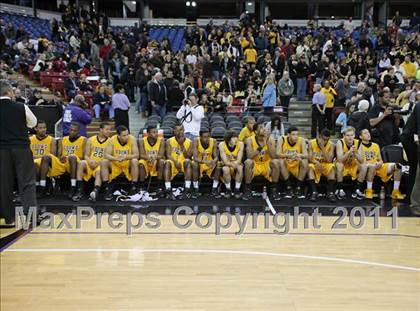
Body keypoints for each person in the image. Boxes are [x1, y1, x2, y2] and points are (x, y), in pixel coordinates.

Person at [0, 80, 37, 226]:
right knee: (27, 182)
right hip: (21, 148)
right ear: (9, 92)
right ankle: (30, 218)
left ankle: (8, 218)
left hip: (1, 149)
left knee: (4, 183)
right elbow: (33, 123)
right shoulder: (21, 106)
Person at [40, 122, 86, 198]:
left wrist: (69, 157)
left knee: (72, 157)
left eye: (74, 131)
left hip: (75, 163)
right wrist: (60, 158)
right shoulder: (63, 139)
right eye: (71, 130)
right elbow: (58, 156)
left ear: (78, 131)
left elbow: (83, 157)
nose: (72, 132)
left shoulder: (83, 140)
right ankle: (42, 187)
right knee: (46, 157)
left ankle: (73, 187)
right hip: (63, 163)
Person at [359, 129, 405, 200]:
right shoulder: (359, 146)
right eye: (365, 133)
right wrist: (371, 164)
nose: (368, 134)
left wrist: (380, 163)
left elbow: (380, 160)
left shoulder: (375, 145)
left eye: (368, 132)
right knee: (372, 166)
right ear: (360, 136)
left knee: (397, 166)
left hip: (377, 166)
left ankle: (395, 191)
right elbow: (359, 161)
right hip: (367, 168)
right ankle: (369, 190)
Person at [72, 122, 112, 202]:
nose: (109, 131)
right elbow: (86, 155)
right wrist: (90, 161)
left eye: (110, 130)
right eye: (106, 129)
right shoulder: (91, 139)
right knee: (81, 163)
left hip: (101, 165)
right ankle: (79, 191)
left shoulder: (110, 141)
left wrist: (97, 162)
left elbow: (107, 157)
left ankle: (95, 191)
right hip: (91, 163)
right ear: (101, 130)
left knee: (99, 171)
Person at [243, 123, 280, 200]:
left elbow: (273, 156)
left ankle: (274, 189)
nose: (264, 129)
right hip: (255, 164)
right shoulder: (249, 140)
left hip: (266, 164)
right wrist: (261, 146)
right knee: (247, 162)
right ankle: (248, 190)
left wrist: (267, 142)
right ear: (256, 131)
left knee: (276, 162)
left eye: (264, 128)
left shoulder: (270, 139)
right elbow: (249, 156)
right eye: (261, 128)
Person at [101, 125, 139, 200]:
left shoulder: (132, 139)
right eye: (124, 135)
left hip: (127, 163)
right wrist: (116, 158)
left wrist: (126, 157)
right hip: (116, 164)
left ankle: (134, 186)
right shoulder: (112, 139)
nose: (127, 137)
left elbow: (137, 155)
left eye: (127, 134)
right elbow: (106, 155)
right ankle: (106, 188)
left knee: (134, 160)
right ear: (118, 135)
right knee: (104, 161)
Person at [335, 126, 366, 200]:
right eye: (348, 135)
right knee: (339, 165)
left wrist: (355, 153)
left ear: (354, 135)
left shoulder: (358, 143)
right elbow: (339, 160)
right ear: (344, 136)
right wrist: (349, 152)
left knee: (364, 166)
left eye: (352, 135)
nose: (350, 137)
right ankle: (340, 189)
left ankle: (357, 190)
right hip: (343, 165)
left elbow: (361, 160)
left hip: (353, 165)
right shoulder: (340, 142)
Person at [163, 124, 193, 200]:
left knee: (188, 161)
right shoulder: (169, 141)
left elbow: (188, 156)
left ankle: (187, 189)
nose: (179, 132)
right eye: (177, 130)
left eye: (181, 130)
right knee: (167, 162)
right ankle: (168, 189)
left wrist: (181, 145)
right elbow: (168, 155)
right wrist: (175, 162)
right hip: (173, 162)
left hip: (183, 163)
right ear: (174, 131)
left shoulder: (190, 142)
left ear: (184, 131)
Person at [277, 126, 308, 199]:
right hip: (286, 164)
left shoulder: (301, 140)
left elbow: (306, 155)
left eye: (297, 134)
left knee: (305, 161)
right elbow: (277, 153)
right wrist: (289, 155)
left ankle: (298, 188)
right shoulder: (281, 139)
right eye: (293, 134)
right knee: (280, 161)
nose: (296, 136)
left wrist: (297, 155)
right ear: (288, 135)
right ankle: (289, 188)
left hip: (296, 164)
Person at [308, 129, 337, 202]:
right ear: (319, 137)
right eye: (324, 139)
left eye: (327, 140)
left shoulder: (331, 145)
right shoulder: (311, 143)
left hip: (325, 163)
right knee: (310, 167)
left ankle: (330, 192)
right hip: (315, 163)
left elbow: (329, 160)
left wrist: (323, 147)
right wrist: (316, 162)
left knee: (331, 167)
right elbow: (310, 158)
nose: (325, 141)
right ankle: (314, 192)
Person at [192, 128, 221, 198]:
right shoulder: (196, 141)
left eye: (208, 136)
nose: (207, 138)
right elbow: (195, 158)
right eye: (205, 137)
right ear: (200, 137)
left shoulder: (213, 141)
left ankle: (214, 189)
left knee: (219, 164)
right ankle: (195, 189)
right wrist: (204, 162)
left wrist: (214, 161)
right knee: (194, 164)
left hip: (209, 162)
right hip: (199, 162)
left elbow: (216, 156)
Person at [400, 101, 420, 197]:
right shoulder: (419, 105)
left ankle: (411, 196)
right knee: (415, 167)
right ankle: (411, 196)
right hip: (410, 138)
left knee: (415, 167)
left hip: (413, 137)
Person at [29, 120, 56, 191]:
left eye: (44, 128)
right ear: (35, 129)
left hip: (46, 163)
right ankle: (38, 187)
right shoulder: (30, 139)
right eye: (40, 128)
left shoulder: (51, 139)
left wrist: (38, 157)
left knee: (42, 161)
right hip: (33, 162)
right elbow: (28, 154)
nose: (43, 130)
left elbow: (52, 155)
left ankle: (41, 187)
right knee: (34, 163)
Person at [138, 125, 165, 192]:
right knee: (141, 162)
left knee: (161, 161)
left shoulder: (161, 141)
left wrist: (154, 158)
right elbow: (141, 155)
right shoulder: (142, 141)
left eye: (156, 132)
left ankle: (159, 185)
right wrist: (149, 158)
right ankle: (141, 185)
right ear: (148, 134)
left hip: (156, 161)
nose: (156, 134)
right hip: (147, 161)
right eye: (154, 132)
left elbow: (161, 155)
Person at [219, 130, 244, 198]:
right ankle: (228, 189)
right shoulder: (221, 144)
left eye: (237, 137)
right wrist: (233, 164)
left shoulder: (241, 144)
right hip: (227, 164)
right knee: (225, 169)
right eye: (235, 137)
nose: (237, 139)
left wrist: (235, 164)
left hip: (236, 163)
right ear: (229, 138)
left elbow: (239, 160)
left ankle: (237, 189)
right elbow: (225, 162)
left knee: (240, 168)